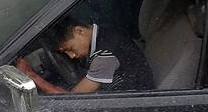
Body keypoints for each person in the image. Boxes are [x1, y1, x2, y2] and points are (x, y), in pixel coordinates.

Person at [16, 17, 153, 94]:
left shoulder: (104, 56)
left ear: (79, 31)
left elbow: (72, 101)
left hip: (133, 108)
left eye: (70, 49)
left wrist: (31, 75)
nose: (71, 56)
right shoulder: (105, 30)